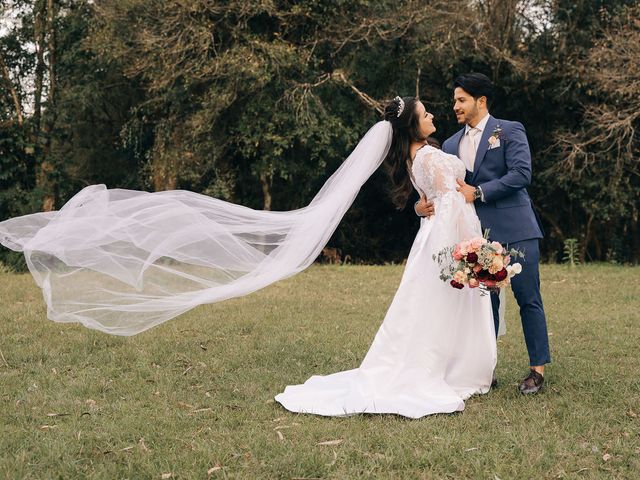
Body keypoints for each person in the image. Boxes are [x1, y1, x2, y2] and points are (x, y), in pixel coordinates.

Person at [275, 97, 497, 417]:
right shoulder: (428, 157)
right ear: (412, 125)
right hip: (447, 238)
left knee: (429, 306)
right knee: (440, 305)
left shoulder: (415, 157)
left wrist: (425, 210)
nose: (431, 114)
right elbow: (449, 203)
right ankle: (450, 369)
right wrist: (471, 248)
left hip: (433, 237)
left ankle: (445, 363)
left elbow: (430, 201)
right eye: (424, 113)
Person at [415, 73, 550, 394]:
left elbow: (521, 174)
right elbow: (440, 188)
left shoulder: (510, 130)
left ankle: (537, 370)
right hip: (477, 235)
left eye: (461, 100)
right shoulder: (449, 144)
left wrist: (479, 192)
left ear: (481, 101)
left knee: (528, 298)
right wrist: (419, 209)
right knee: (482, 302)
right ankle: (483, 369)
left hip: (517, 228)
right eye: (454, 100)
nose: (455, 106)